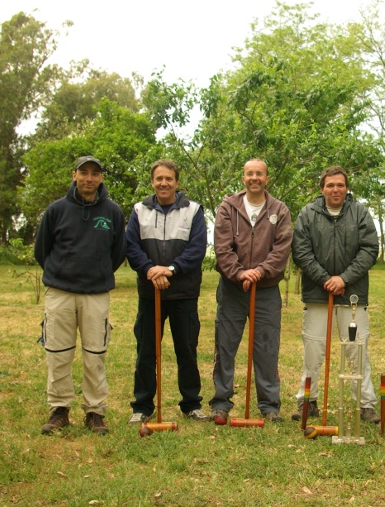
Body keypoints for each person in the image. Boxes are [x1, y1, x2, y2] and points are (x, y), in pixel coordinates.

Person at [34, 155, 126, 435]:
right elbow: (42, 250)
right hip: (60, 292)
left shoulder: (112, 212)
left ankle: (95, 411)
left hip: (95, 294)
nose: (89, 178)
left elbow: (117, 253)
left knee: (95, 354)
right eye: (83, 172)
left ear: (101, 179)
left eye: (95, 174)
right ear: (74, 175)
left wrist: (96, 274)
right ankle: (59, 409)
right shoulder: (56, 210)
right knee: (58, 353)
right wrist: (61, 273)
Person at [290, 166, 380, 423]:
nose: (335, 189)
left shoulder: (360, 212)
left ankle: (365, 404)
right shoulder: (308, 214)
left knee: (356, 349)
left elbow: (369, 249)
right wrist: (325, 279)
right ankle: (308, 400)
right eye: (330, 185)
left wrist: (344, 279)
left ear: (347, 188)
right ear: (322, 189)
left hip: (352, 296)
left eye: (340, 185)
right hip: (318, 295)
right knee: (313, 350)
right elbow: (301, 251)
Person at [125, 159, 210, 423]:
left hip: (183, 293)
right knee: (147, 351)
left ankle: (191, 404)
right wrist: (151, 271)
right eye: (159, 178)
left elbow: (197, 250)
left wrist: (170, 269)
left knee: (186, 349)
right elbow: (131, 246)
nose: (164, 183)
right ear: (152, 182)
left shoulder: (193, 211)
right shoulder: (139, 210)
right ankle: (142, 406)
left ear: (177, 182)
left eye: (169, 179)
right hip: (151, 294)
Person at [210, 158, 292, 423]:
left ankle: (269, 406)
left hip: (266, 290)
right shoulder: (228, 207)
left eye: (259, 174)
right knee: (226, 346)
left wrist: (260, 271)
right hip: (233, 289)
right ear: (243, 178)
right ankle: (221, 403)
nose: (254, 178)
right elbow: (222, 247)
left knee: (267, 348)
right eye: (249, 174)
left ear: (267, 178)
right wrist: (239, 273)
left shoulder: (279, 209)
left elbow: (281, 249)